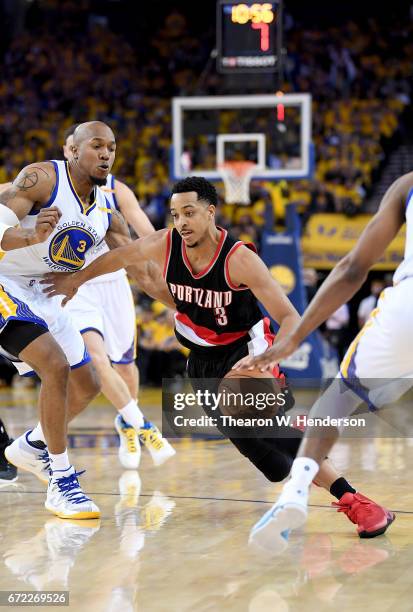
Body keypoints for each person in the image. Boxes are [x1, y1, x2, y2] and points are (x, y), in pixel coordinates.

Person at [43, 176, 391, 547]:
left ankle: (354, 499)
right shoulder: (166, 243)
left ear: (211, 212)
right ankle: (306, 460)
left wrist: (266, 358)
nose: (181, 222)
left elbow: (289, 317)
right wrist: (76, 280)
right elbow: (120, 257)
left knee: (266, 430)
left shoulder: (239, 259)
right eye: (176, 214)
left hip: (246, 352)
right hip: (202, 360)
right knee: (264, 454)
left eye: (189, 213)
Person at [233, 171, 412, 553]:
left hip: (406, 313)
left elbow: (351, 270)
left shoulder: (406, 185)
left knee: (339, 398)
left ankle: (295, 494)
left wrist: (295, 337)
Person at [62, 126, 175, 468]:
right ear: (70, 150)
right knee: (98, 361)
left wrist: (172, 265)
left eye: (106, 147)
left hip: (114, 284)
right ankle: (142, 424)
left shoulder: (116, 190)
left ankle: (127, 421)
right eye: (75, 148)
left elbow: (147, 232)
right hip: (76, 287)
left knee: (126, 366)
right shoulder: (50, 184)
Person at [0, 196, 99, 517]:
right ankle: (62, 479)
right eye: (96, 144)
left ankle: (29, 446)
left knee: (87, 385)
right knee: (54, 366)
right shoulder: (41, 179)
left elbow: (131, 252)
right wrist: (31, 236)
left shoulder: (111, 204)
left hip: (44, 294)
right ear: (72, 150)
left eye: (110, 147)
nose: (105, 154)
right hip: (6, 286)